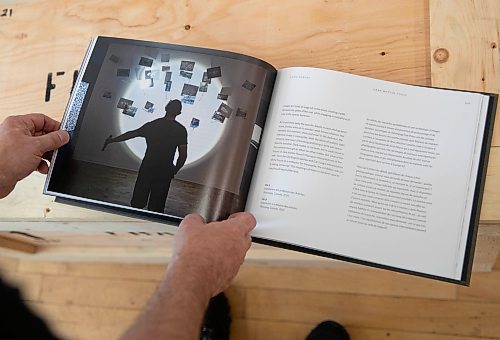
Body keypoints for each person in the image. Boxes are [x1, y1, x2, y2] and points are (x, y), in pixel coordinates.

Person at [0, 114, 349, 340]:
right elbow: (180, 151)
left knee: (142, 204)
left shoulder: (156, 125)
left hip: (150, 165)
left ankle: (200, 328)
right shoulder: (179, 128)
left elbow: (134, 132)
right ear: (178, 110)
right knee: (152, 204)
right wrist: (197, 270)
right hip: (163, 168)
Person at [102, 99, 188, 213]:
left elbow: (131, 134)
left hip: (148, 166)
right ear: (179, 113)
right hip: (165, 169)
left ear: (166, 108)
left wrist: (112, 140)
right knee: (157, 206)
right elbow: (183, 155)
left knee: (138, 202)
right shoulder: (181, 130)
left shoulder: (152, 125)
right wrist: (175, 170)